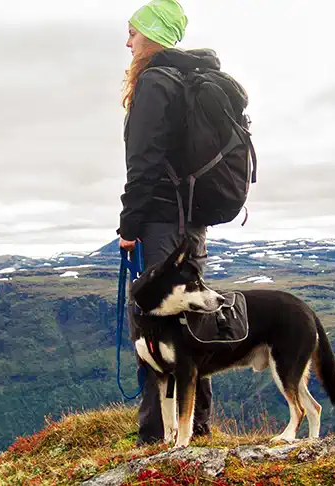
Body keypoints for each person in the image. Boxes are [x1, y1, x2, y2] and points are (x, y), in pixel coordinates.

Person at [115, 0, 217, 446]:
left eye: (133, 32)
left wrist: (128, 225)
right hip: (191, 222)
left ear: (152, 35)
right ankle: (196, 426)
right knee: (190, 318)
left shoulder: (155, 83)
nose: (128, 41)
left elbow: (144, 164)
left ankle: (154, 438)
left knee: (153, 325)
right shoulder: (188, 79)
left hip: (159, 221)